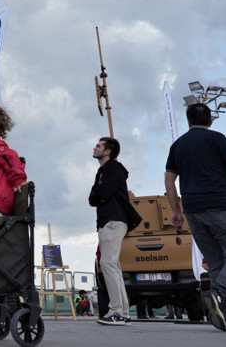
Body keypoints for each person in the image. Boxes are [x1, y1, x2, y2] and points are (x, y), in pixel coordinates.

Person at [165, 102, 226, 332]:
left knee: (215, 263)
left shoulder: (178, 145)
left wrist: (175, 211)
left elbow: (169, 180)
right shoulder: (217, 138)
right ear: (211, 121)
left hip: (193, 211)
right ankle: (219, 292)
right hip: (220, 206)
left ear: (188, 121)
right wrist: (224, 176)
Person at [89, 136, 132, 326]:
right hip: (108, 221)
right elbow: (92, 199)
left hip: (113, 220)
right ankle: (123, 312)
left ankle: (116, 311)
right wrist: (98, 194)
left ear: (107, 151)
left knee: (107, 263)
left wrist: (99, 194)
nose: (94, 148)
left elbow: (102, 193)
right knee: (113, 265)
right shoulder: (103, 171)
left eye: (98, 146)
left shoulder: (113, 168)